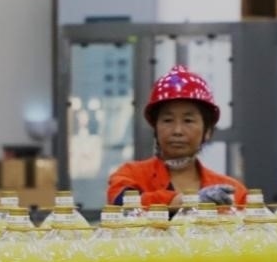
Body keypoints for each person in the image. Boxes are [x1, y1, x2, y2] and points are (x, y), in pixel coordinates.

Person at [106, 65, 248, 208]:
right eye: (168, 120)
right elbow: (121, 202)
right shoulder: (132, 175)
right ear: (155, 128)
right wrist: (185, 201)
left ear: (208, 131)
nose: (177, 130)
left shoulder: (233, 192)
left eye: (188, 120)